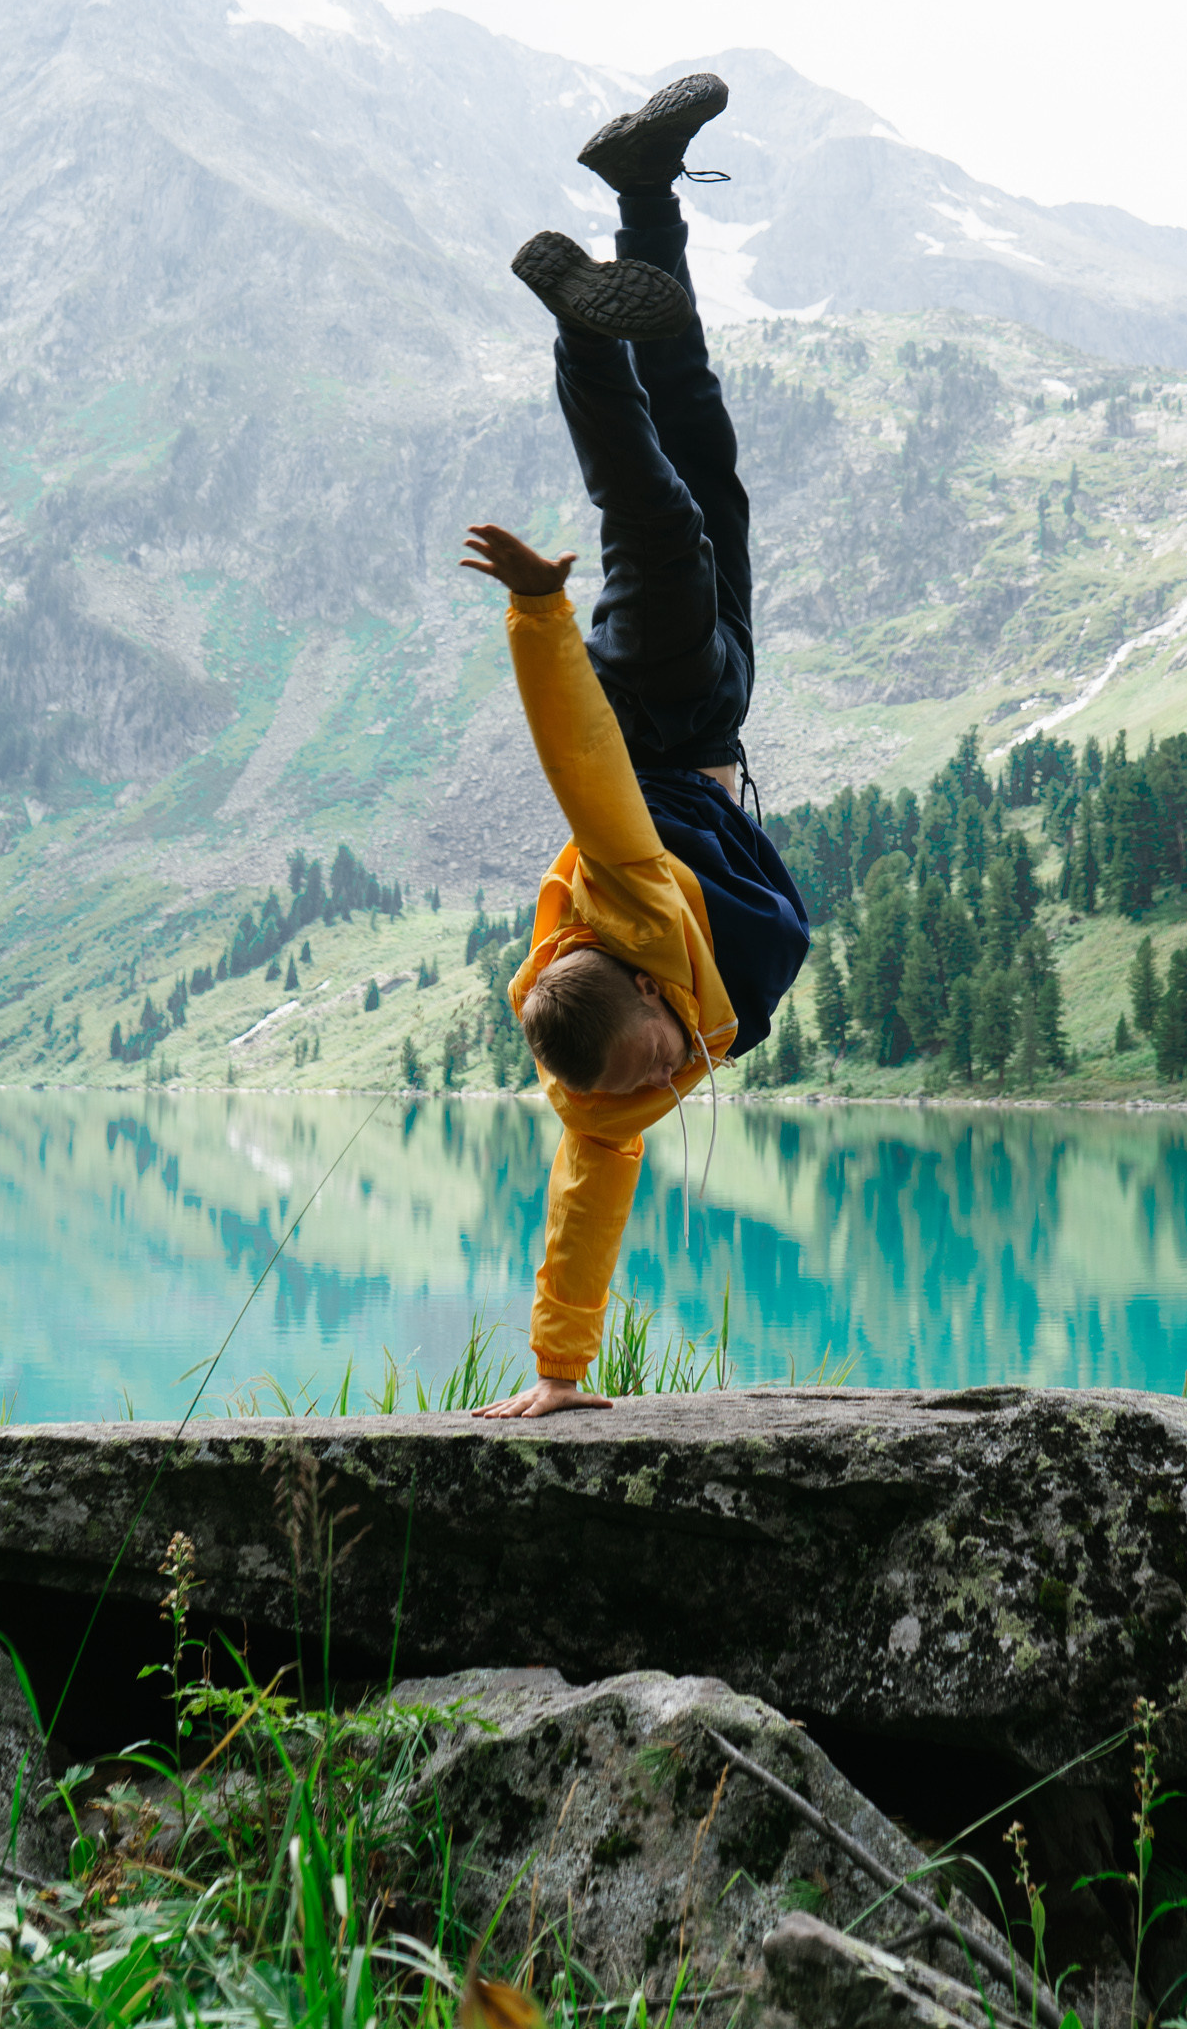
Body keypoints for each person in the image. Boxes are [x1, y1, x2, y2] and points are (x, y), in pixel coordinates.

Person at [459, 73, 811, 1418]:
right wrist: (557, 1372)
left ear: (637, 982)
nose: (672, 1078)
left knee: (652, 515)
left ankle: (579, 333)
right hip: (721, 710)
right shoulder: (606, 1094)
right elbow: (583, 1204)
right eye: (657, 1076)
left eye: (660, 1054)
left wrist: (543, 618)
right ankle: (642, 188)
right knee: (705, 451)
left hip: (650, 719)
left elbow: (579, 762)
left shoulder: (622, 887)